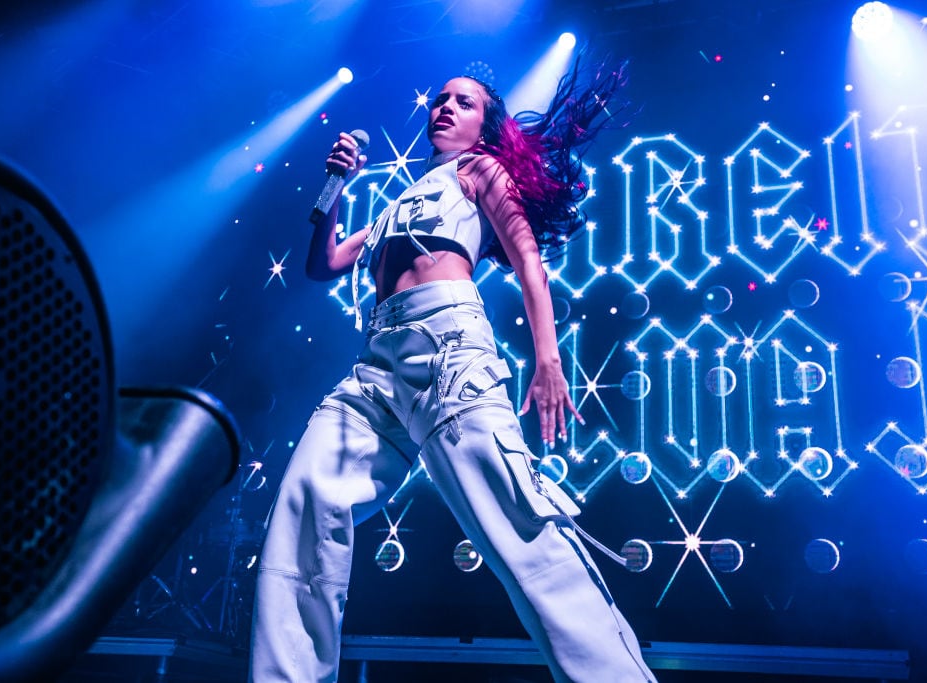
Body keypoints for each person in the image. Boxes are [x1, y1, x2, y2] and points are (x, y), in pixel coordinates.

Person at [249, 59, 658, 683]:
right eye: (441, 99)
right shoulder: (397, 203)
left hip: (449, 351)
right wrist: (336, 188)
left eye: (464, 102)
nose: (445, 107)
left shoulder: (480, 171)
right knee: (306, 503)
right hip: (376, 367)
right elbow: (322, 264)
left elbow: (527, 259)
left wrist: (548, 358)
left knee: (519, 529)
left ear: (485, 127)